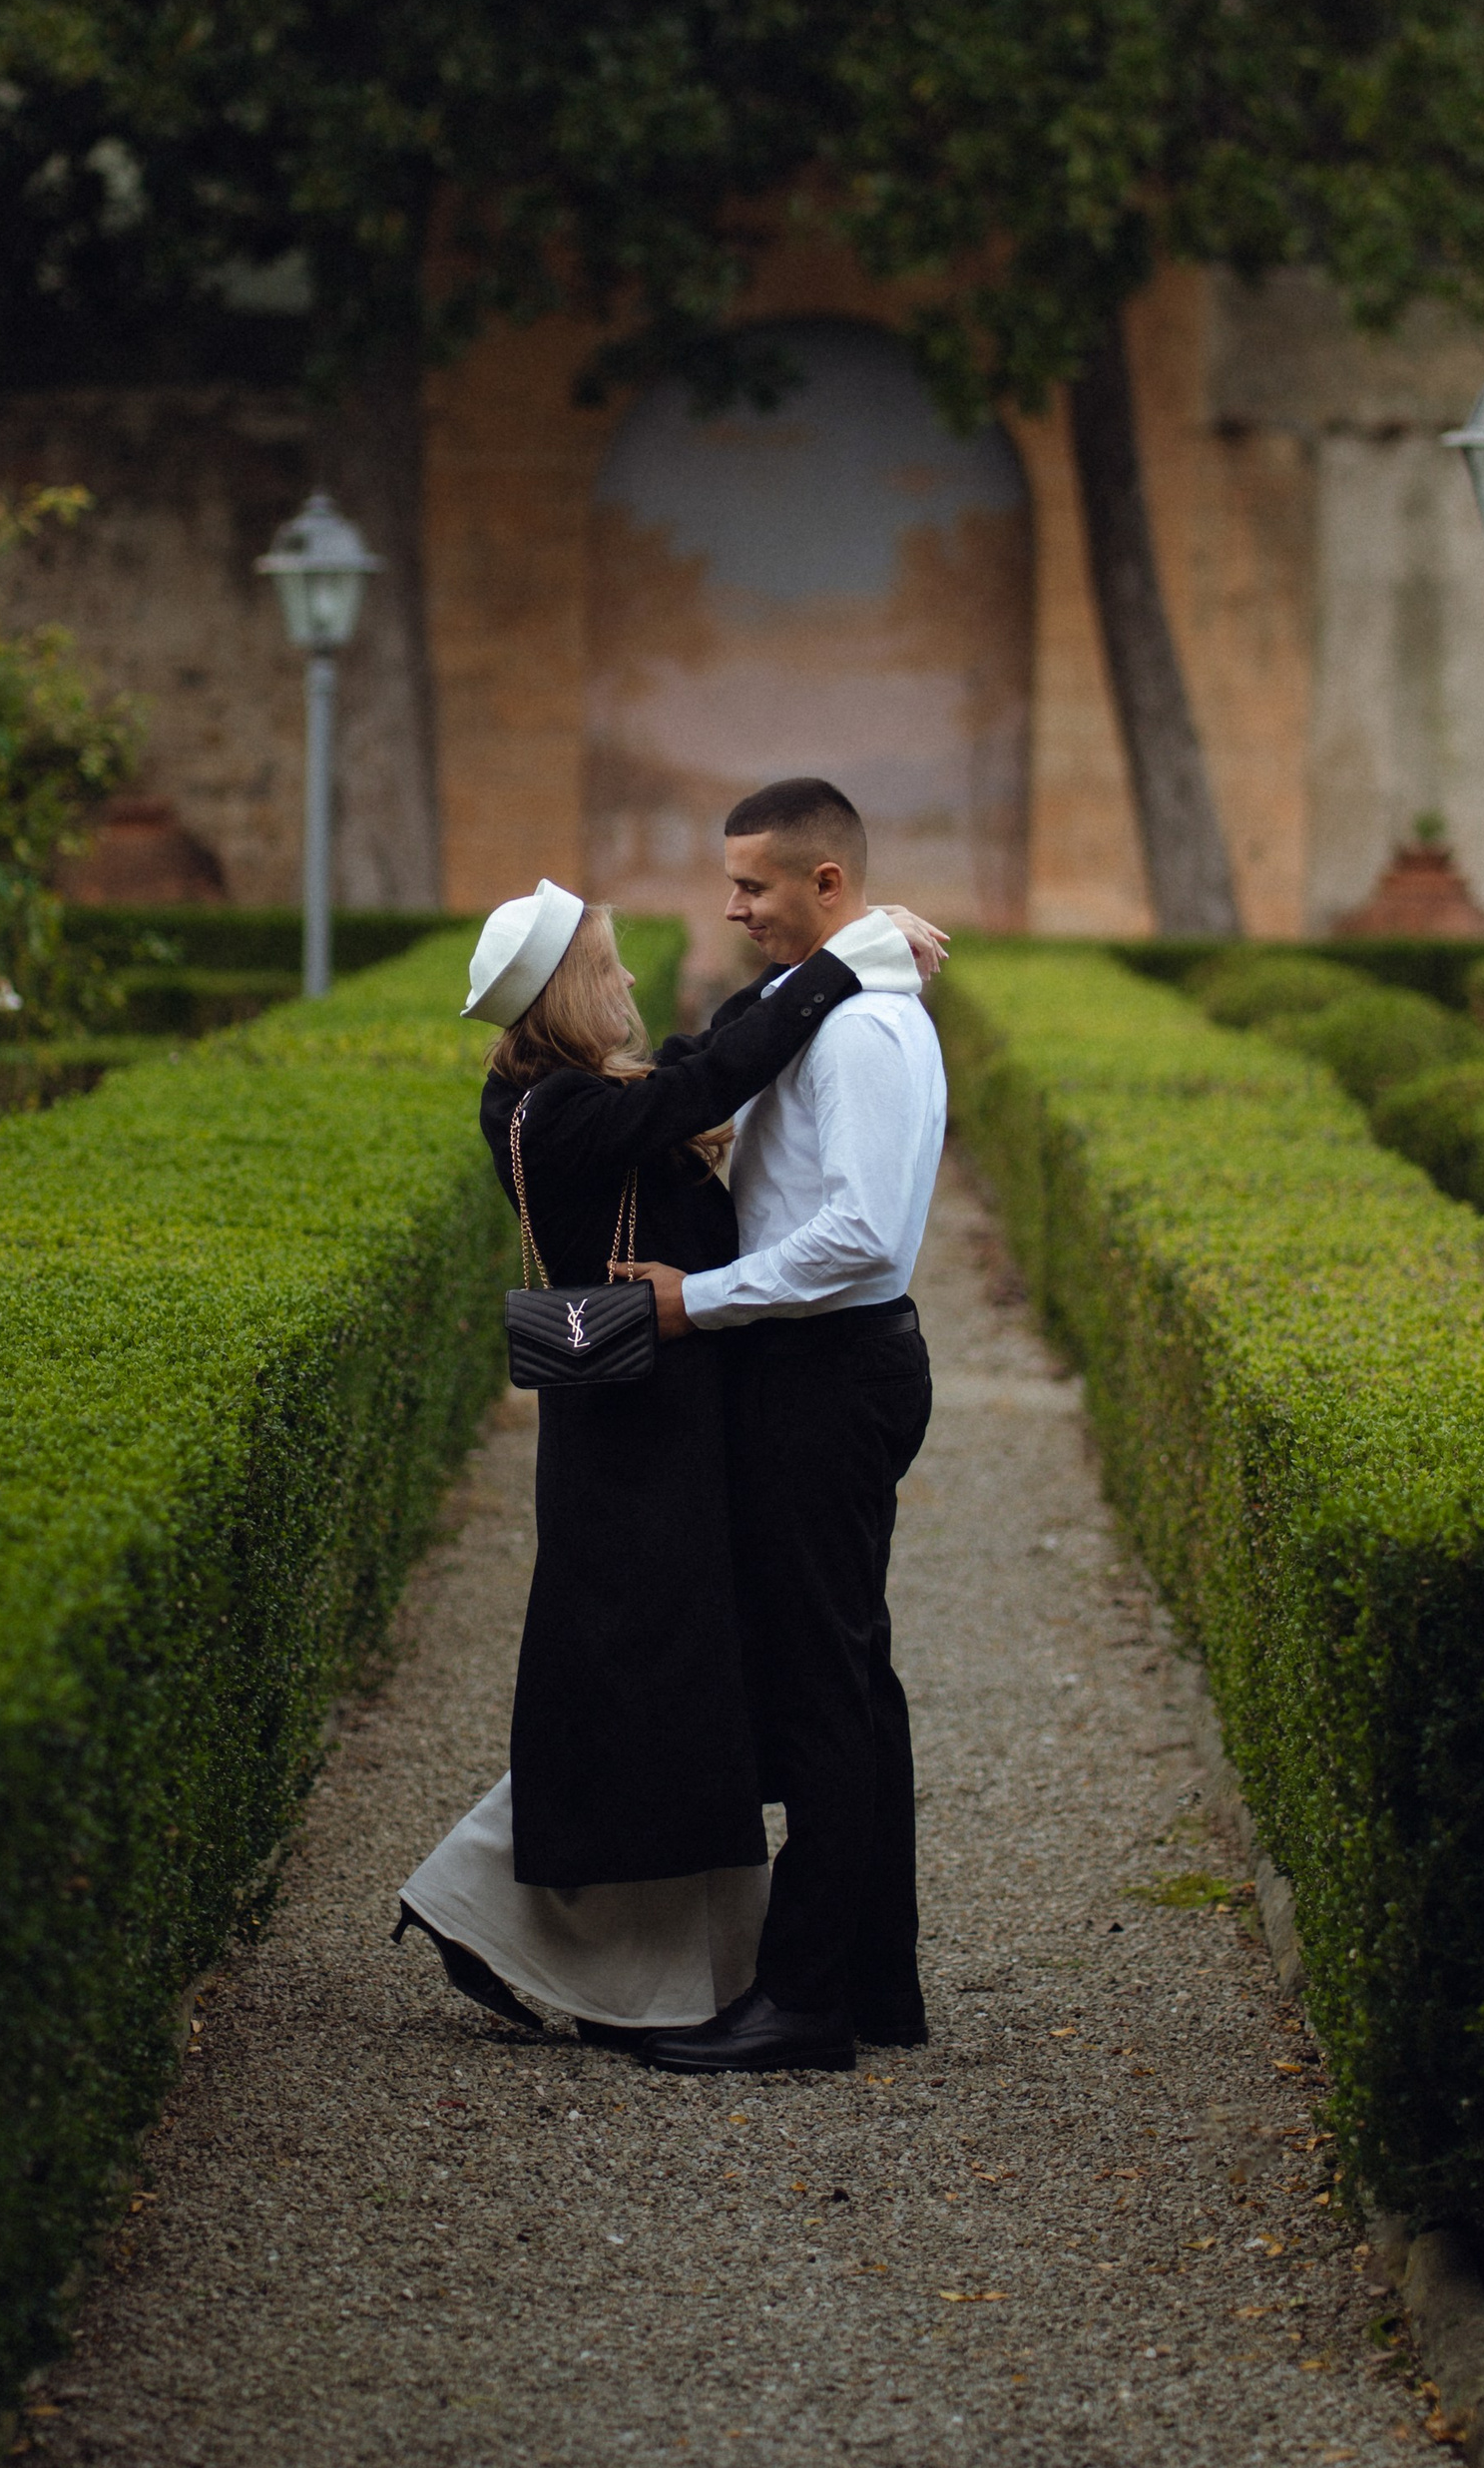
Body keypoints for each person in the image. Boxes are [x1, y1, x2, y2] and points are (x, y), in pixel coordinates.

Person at [396, 876, 939, 2042]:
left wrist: (826, 958)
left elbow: (706, 1046)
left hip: (667, 1417)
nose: (634, 979)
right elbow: (707, 1078)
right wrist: (845, 963)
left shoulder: (580, 1093)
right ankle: (481, 1905)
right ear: (570, 990)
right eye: (611, 961)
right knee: (638, 1690)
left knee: (661, 1693)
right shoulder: (557, 1112)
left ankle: (582, 1935)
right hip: (631, 1438)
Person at [619, 777, 949, 2077]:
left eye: (754, 885)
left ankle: (805, 2000)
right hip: (825, 1367)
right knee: (852, 1679)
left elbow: (861, 1234)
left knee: (824, 1688)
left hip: (830, 1373)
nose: (731, 905)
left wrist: (697, 1302)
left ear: (828, 885)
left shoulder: (864, 1030)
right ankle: (873, 1982)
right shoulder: (834, 1005)